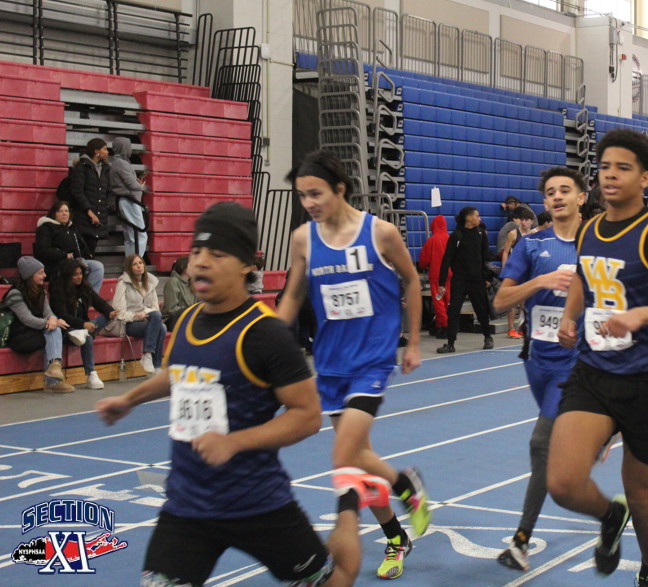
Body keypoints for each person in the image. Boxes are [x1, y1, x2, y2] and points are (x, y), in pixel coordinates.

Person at [96, 201, 391, 586]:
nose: (201, 263)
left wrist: (234, 442)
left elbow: (306, 416)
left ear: (247, 265)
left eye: (217, 254)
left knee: (337, 580)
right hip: (187, 507)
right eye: (196, 252)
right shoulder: (186, 320)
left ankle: (350, 500)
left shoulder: (266, 334)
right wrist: (128, 400)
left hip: (258, 505)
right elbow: (178, 373)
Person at [549, 129, 648, 587]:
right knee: (562, 483)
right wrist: (569, 316)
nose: (610, 175)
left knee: (642, 498)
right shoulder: (589, 229)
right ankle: (608, 515)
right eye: (604, 167)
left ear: (645, 178)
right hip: (593, 373)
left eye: (622, 168)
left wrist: (642, 315)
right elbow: (583, 276)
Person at [277, 150, 430, 581]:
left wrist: (413, 341)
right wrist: (266, 339)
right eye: (302, 196)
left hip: (372, 360)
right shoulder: (303, 239)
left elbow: (412, 279)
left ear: (340, 189)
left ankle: (346, 538)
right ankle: (398, 526)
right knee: (359, 457)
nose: (308, 202)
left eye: (315, 193)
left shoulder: (380, 233)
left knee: (344, 454)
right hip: (330, 363)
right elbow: (293, 295)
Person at [492, 166, 586, 571]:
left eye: (565, 190)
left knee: (540, 444)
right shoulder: (531, 245)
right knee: (553, 460)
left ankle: (521, 540)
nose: (557, 196)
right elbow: (500, 301)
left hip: (578, 361)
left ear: (581, 197)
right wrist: (541, 281)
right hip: (537, 361)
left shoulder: (598, 243)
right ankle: (609, 513)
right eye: (550, 192)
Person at [0, 256, 72, 392]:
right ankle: (53, 379)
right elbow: (27, 319)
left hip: (33, 332)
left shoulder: (40, 291)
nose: (44, 275)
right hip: (19, 336)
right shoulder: (14, 294)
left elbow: (48, 312)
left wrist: (53, 319)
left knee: (56, 330)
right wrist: (50, 323)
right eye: (40, 273)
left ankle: (54, 370)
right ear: (29, 275)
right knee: (53, 331)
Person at [49, 258, 118, 390]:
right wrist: (83, 324)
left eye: (80, 273)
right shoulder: (58, 290)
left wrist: (111, 312)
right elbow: (62, 315)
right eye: (75, 275)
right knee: (87, 338)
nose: (79, 277)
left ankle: (85, 332)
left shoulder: (84, 287)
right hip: (67, 328)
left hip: (83, 327)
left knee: (105, 318)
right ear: (68, 276)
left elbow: (99, 302)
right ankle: (91, 373)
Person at [436, 206, 495, 353]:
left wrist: (487, 277)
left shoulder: (481, 234)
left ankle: (488, 337)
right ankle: (450, 343)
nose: (479, 218)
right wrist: (442, 282)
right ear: (468, 218)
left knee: (481, 310)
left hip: (477, 279)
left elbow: (485, 257)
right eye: (477, 216)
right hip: (460, 281)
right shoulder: (456, 236)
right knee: (453, 311)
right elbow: (446, 260)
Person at [112, 253, 166, 375]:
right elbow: (119, 312)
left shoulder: (150, 282)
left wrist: (144, 313)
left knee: (160, 323)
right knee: (161, 327)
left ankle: (154, 363)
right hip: (129, 323)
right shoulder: (123, 284)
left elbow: (155, 308)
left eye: (140, 263)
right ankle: (148, 356)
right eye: (135, 264)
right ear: (129, 268)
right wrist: (135, 316)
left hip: (146, 320)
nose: (139, 266)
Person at [33, 201, 105, 293]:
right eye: (60, 211)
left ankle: (89, 296)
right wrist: (64, 255)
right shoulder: (45, 228)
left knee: (97, 266)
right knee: (75, 269)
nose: (64, 213)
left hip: (75, 261)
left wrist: (87, 256)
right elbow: (42, 250)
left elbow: (82, 247)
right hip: (57, 264)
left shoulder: (72, 228)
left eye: (66, 211)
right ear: (54, 213)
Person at [69, 138, 112, 257]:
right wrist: (89, 210)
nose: (107, 152)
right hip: (83, 216)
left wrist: (107, 205)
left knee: (91, 251)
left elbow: (109, 190)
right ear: (96, 151)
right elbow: (77, 191)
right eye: (105, 149)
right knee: (84, 251)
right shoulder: (82, 167)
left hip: (99, 215)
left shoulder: (105, 168)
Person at [109, 138, 148, 258]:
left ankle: (130, 262)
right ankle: (136, 262)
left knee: (131, 236)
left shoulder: (118, 163)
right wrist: (140, 186)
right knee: (140, 235)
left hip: (126, 200)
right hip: (129, 200)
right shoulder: (121, 163)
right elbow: (131, 183)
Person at [500, 206, 535, 338]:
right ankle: (510, 328)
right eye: (522, 220)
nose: (524, 222)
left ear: (531, 222)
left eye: (527, 220)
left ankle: (521, 327)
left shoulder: (533, 235)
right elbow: (505, 252)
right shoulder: (513, 234)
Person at [418, 214, 451, 339]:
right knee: (446, 300)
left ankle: (443, 325)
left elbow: (424, 261)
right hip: (449, 274)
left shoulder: (431, 241)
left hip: (436, 275)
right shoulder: (450, 239)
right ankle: (440, 324)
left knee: (438, 301)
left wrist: (421, 267)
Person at [162, 256, 195, 331]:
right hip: (172, 318)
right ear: (183, 268)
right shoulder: (173, 282)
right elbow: (171, 309)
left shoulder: (193, 283)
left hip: (189, 316)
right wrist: (189, 311)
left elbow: (198, 304)